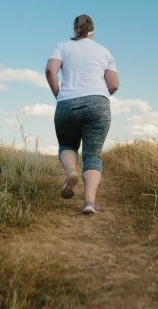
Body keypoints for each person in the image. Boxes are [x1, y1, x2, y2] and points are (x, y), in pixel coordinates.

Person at [45, 14, 119, 214]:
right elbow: (113, 84)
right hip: (97, 103)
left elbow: (51, 70)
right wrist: (101, 93)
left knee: (68, 145)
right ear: (93, 30)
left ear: (75, 28)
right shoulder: (104, 52)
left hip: (67, 102)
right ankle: (89, 202)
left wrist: (58, 94)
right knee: (93, 155)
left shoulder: (62, 46)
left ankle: (70, 173)